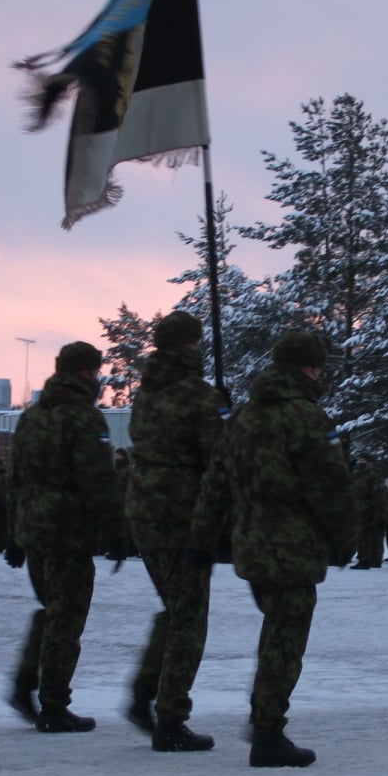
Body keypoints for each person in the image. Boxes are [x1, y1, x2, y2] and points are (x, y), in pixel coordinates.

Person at [191, 331, 353, 768]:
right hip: (293, 546)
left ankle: (266, 722)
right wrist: (343, 534)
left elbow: (215, 483)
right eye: (318, 367)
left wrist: (203, 539)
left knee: (276, 631)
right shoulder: (307, 418)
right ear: (307, 369)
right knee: (284, 638)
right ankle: (267, 731)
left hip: (250, 544)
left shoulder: (242, 417)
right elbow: (329, 485)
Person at [5, 341, 122, 732]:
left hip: (35, 529)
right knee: (66, 619)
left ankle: (27, 683)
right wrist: (117, 529)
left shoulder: (32, 417)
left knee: (52, 609)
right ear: (88, 373)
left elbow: (16, 478)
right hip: (68, 530)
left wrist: (15, 532)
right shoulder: (84, 418)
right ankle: (54, 705)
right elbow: (98, 481)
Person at [124, 311, 224, 752]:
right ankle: (169, 717)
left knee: (175, 608)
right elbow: (218, 458)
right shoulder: (198, 396)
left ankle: (147, 692)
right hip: (184, 518)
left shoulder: (145, 395)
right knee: (188, 617)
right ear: (191, 345)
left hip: (146, 514)